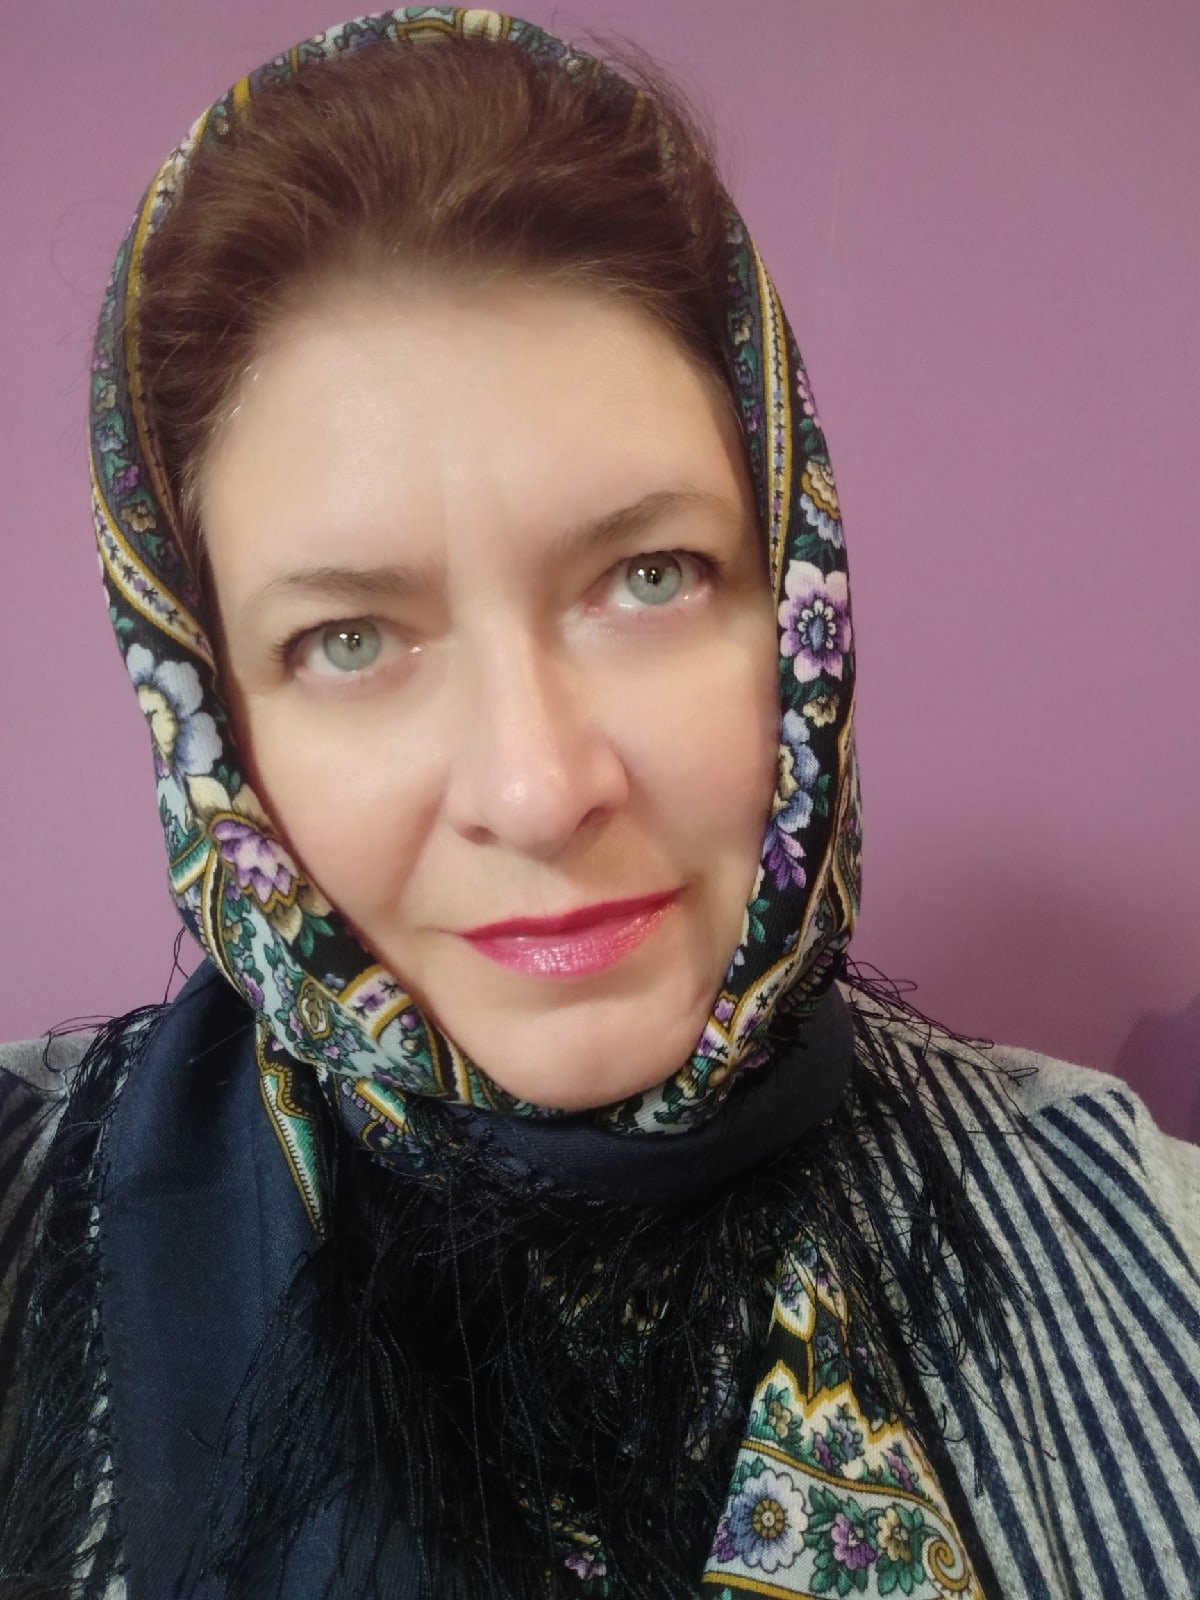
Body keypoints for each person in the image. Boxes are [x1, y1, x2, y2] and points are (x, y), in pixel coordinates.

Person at [1, 9, 1197, 1598]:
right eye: (348, 638)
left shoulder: (1130, 1223)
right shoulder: (33, 1224)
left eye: (649, 576)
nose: (539, 787)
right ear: (215, 721)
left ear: (796, 602)